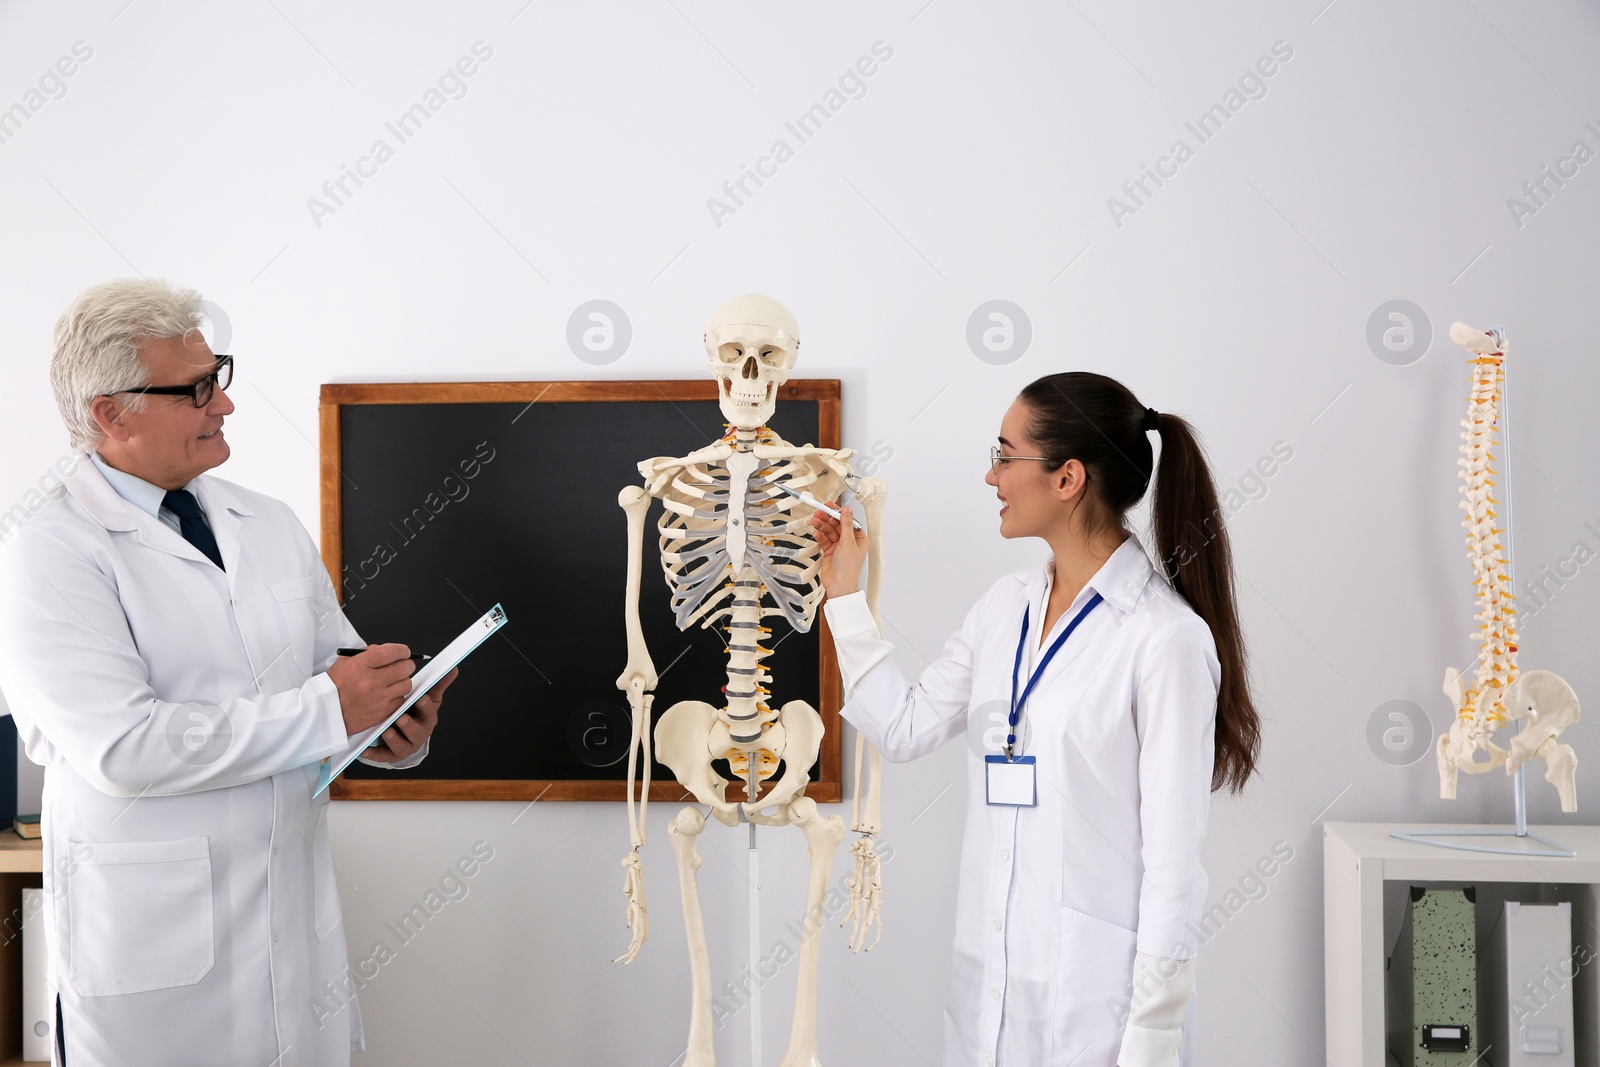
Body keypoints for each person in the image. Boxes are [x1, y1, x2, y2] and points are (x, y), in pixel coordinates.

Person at [0, 279, 458, 1066]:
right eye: (197, 389)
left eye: (221, 376)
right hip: (155, 955)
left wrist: (389, 723)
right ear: (111, 413)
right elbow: (123, 746)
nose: (225, 405)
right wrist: (328, 710)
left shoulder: (267, 522)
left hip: (296, 931)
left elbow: (332, 678)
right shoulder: (49, 546)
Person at [810, 371, 1261, 1067]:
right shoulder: (1004, 607)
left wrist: (1152, 1037)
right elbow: (902, 726)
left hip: (1100, 1015)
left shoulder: (1164, 639)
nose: (990, 475)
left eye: (1004, 454)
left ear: (1067, 477)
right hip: (989, 992)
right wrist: (843, 595)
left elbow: (1175, 871)